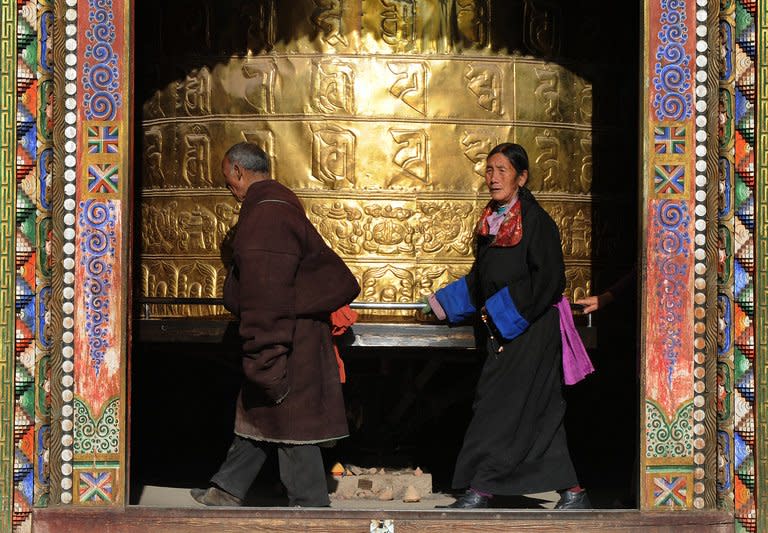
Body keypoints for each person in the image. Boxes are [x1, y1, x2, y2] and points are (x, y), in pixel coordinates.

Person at [192, 142, 360, 507]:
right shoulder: (278, 206)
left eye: (228, 180)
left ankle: (310, 505)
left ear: (238, 171)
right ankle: (226, 489)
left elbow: (266, 299)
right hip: (292, 332)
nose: (229, 189)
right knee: (260, 410)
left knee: (287, 417)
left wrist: (265, 358)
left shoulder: (266, 218)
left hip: (286, 338)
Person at [425, 143, 590, 510]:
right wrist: (442, 304)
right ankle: (573, 492)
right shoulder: (490, 222)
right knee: (541, 412)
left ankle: (480, 488)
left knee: (497, 406)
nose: (493, 177)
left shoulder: (536, 223)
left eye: (502, 170)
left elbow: (549, 280)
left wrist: (502, 316)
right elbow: (481, 279)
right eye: (489, 170)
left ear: (521, 177)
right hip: (504, 330)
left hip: (528, 330)